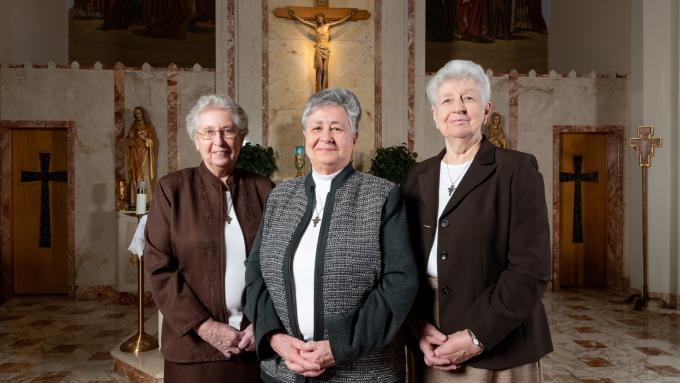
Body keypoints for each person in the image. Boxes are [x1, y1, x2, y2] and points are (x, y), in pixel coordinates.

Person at [244, 88, 418, 382]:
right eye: (317, 127)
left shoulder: (382, 196)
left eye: (337, 128)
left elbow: (400, 283)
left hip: (363, 373)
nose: (326, 136)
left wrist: (338, 347)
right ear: (305, 136)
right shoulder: (280, 197)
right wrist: (274, 337)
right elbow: (255, 273)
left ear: (354, 137)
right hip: (284, 370)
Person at [402, 60, 552, 382]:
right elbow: (404, 261)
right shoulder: (417, 176)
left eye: (468, 98)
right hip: (431, 338)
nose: (457, 108)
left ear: (486, 110)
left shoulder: (516, 170)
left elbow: (530, 268)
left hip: (501, 337)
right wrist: (416, 323)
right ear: (434, 114)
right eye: (446, 100)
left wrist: (476, 335)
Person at [144, 95, 274, 382]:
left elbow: (278, 267)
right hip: (193, 348)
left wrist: (261, 324)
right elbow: (158, 268)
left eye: (228, 131)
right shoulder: (172, 190)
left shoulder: (263, 189)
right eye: (208, 132)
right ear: (196, 139)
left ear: (241, 138)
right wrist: (205, 327)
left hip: (253, 345)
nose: (219, 141)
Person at [287, 8, 356, 91]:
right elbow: (304, 22)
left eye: (320, 17)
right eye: (317, 18)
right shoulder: (316, 27)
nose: (319, 19)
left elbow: (340, 22)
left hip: (326, 49)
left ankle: (324, 89)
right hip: (319, 49)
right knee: (320, 69)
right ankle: (318, 90)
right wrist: (295, 16)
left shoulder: (327, 26)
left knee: (325, 70)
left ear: (323, 18)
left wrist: (349, 16)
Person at [126, 106, 156, 206]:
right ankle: (134, 200)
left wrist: (145, 138)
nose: (138, 115)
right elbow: (128, 142)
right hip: (134, 153)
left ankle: (148, 200)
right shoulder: (132, 127)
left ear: (142, 114)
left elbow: (152, 142)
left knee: (145, 175)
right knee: (135, 176)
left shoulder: (148, 127)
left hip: (144, 153)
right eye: (136, 113)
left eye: (139, 113)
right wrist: (131, 138)